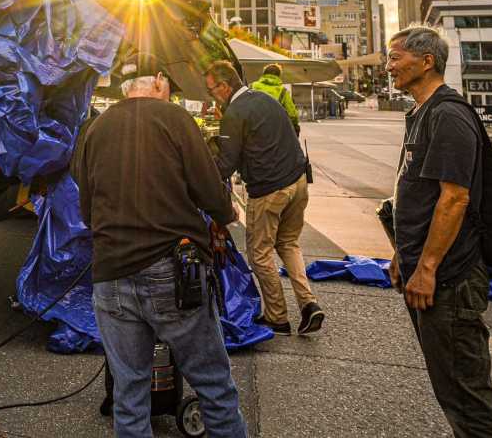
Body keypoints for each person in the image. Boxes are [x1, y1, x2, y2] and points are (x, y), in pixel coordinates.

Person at [72, 55, 247, 438]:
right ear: (159, 82)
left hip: (111, 275)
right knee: (214, 387)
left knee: (129, 394)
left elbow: (86, 209)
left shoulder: (94, 129)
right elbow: (210, 190)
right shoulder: (175, 120)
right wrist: (225, 211)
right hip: (172, 272)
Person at [386, 26, 492, 437]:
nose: (389, 67)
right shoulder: (421, 112)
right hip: (428, 272)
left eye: (396, 57)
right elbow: (418, 193)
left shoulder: (448, 114)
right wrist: (404, 255)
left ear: (427, 61)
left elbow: (454, 198)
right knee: (451, 388)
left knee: (466, 395)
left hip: (450, 280)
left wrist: (428, 267)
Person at [206, 60, 324, 335]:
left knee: (260, 255)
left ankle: (277, 317)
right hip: (298, 181)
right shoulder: (265, 98)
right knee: (289, 243)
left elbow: (226, 165)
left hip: (270, 189)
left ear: (224, 87)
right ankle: (309, 304)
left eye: (212, 91)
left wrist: (205, 158)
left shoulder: (235, 113)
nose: (212, 96)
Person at [250, 63, 300, 134]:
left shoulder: (252, 86)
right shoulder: (283, 91)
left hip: (253, 130)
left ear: (263, 74)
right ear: (279, 76)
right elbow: (292, 115)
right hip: (274, 132)